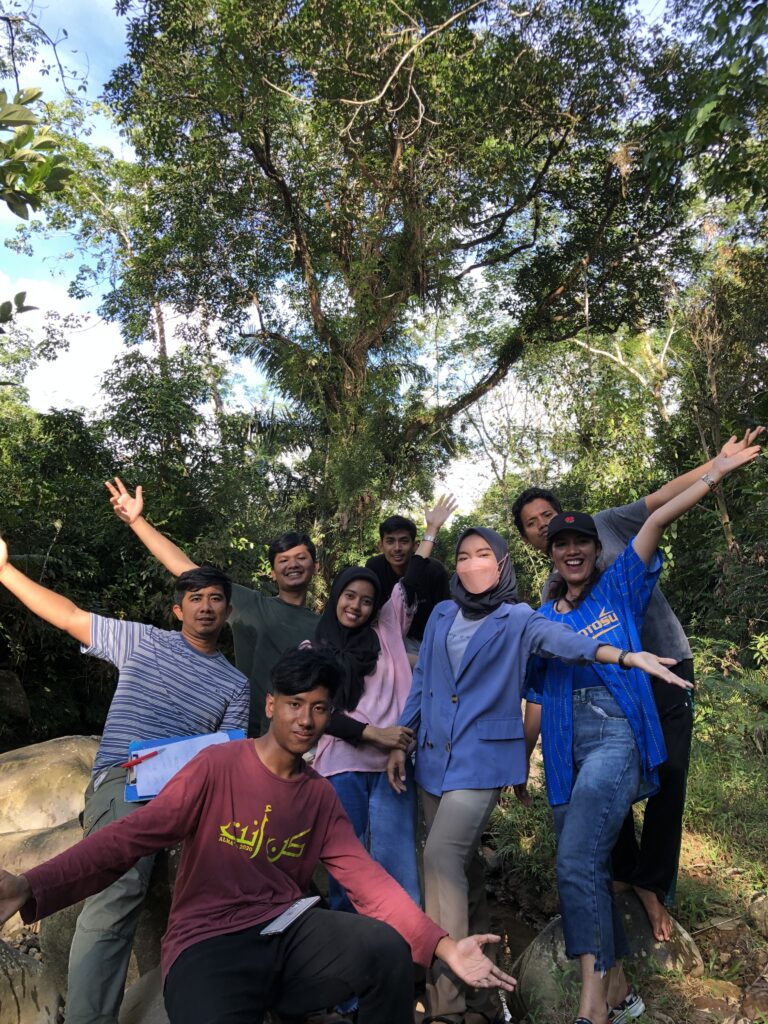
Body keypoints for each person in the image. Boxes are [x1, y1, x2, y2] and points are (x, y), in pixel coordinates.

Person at [0, 647, 516, 1024]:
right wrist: (31, 885)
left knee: (385, 949)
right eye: (295, 704)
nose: (306, 719)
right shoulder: (217, 766)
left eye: (319, 708)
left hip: (287, 934)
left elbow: (369, 883)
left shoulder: (318, 797)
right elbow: (130, 837)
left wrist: (445, 947)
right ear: (270, 705)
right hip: (207, 942)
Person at [386, 526, 683, 1024]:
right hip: (433, 759)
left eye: (484, 554)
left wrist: (624, 655)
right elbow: (423, 682)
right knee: (462, 871)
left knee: (440, 858)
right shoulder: (441, 614)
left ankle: (448, 1005)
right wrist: (402, 736)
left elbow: (568, 643)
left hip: (483, 760)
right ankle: (484, 1001)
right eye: (463, 556)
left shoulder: (520, 617)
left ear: (503, 562)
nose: (472, 563)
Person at [520, 440, 761, 1024]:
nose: (572, 549)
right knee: (590, 865)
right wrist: (520, 760)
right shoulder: (541, 618)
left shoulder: (618, 587)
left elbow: (654, 518)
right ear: (548, 554)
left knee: (577, 858)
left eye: (581, 541)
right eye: (560, 543)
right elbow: (535, 698)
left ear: (595, 549)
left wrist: (714, 473)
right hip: (564, 749)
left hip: (615, 734)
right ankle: (621, 990)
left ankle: (591, 1009)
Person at [0, 535, 248, 1024]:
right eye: (195, 597)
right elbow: (69, 615)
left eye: (216, 598)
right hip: (127, 783)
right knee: (118, 887)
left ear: (228, 611)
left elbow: (228, 758)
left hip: (189, 798)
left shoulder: (235, 684)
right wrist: (5, 572)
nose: (205, 606)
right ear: (177, 610)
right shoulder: (144, 642)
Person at [312, 497, 455, 911]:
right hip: (342, 765)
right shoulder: (314, 651)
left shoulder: (388, 627)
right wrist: (374, 734)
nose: (356, 606)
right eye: (348, 596)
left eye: (365, 600)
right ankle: (345, 945)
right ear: (336, 596)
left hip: (393, 764)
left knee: (398, 866)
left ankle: (404, 947)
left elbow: (411, 578)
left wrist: (431, 531)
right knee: (346, 865)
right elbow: (319, 714)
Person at [106, 477, 319, 736]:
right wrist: (136, 521)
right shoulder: (252, 605)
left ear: (315, 566)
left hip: (299, 735)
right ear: (273, 573)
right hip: (246, 733)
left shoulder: (325, 625)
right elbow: (183, 568)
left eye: (301, 558)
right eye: (283, 560)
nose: (292, 564)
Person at [365, 512, 451, 658]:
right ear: (381, 545)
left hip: (424, 641)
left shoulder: (434, 570)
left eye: (404, 541)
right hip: (386, 639)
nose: (397, 548)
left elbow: (445, 615)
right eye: (390, 541)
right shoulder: (375, 567)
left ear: (415, 545)